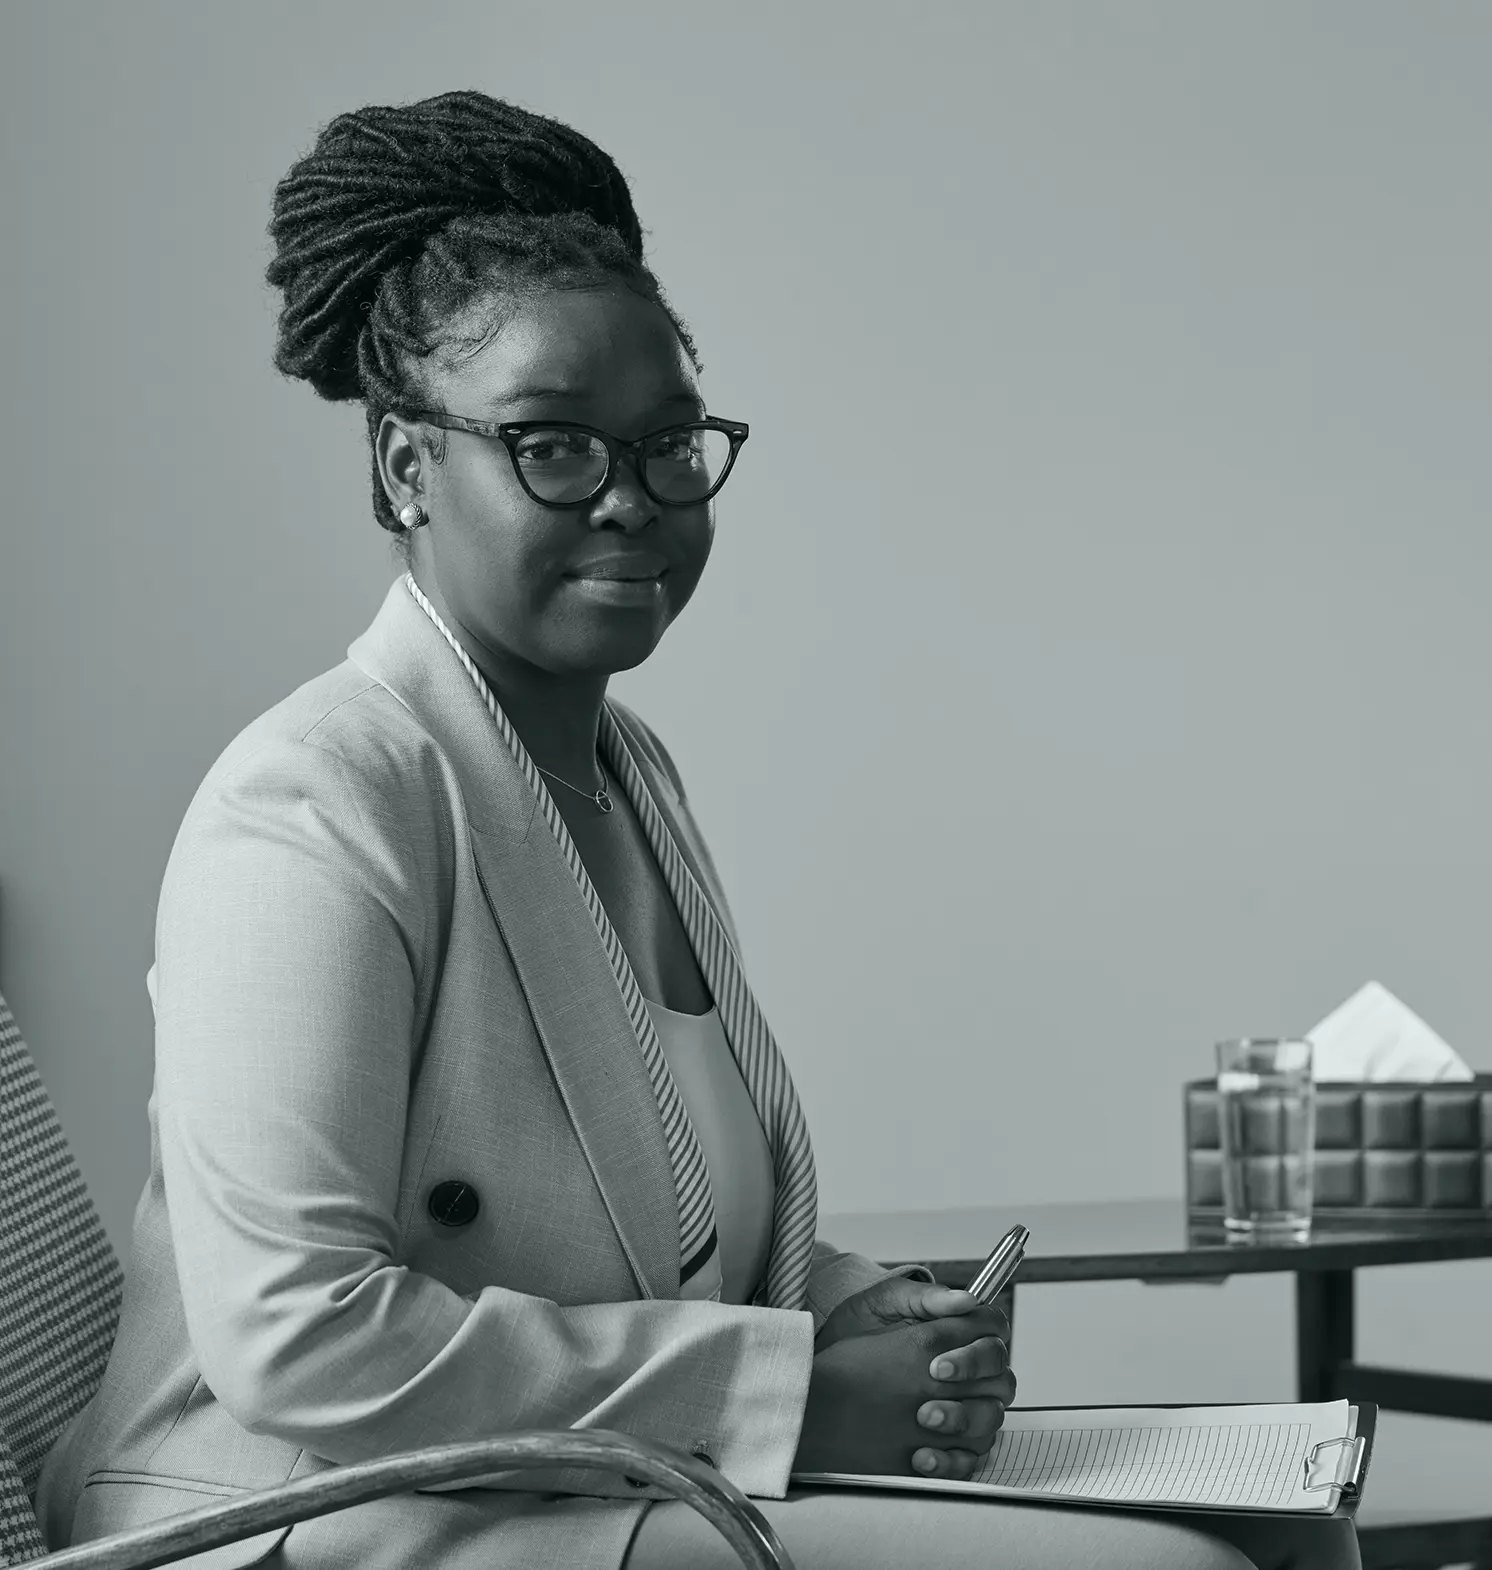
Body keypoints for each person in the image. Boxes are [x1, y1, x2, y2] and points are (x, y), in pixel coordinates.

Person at [34, 91, 1359, 1570]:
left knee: (1286, 1528)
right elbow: (297, 1337)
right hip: (307, 1513)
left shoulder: (624, 771)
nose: (632, 501)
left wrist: (859, 1308)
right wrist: (785, 1393)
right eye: (552, 447)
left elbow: (635, 1225)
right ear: (409, 466)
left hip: (568, 1478)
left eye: (670, 444)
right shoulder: (313, 800)